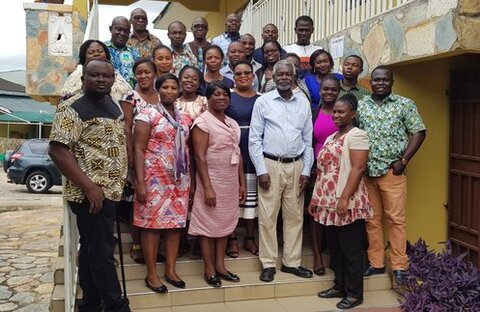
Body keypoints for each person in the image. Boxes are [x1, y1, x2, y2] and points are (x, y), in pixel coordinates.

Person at [48, 59, 130, 312]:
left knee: (93, 250)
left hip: (111, 191)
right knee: (103, 254)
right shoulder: (72, 108)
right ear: (84, 77)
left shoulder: (112, 105)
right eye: (95, 75)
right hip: (91, 195)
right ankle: (117, 306)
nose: (102, 80)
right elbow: (58, 150)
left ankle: (90, 304)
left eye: (107, 76)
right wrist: (89, 187)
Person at [359, 66, 426, 285]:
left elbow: (419, 132)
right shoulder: (362, 105)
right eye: (376, 80)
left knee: (396, 220)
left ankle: (399, 265)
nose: (380, 83)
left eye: (384, 80)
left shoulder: (404, 105)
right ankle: (376, 263)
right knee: (372, 220)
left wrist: (404, 160)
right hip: (367, 173)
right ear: (371, 82)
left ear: (392, 82)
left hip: (392, 171)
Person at [249, 60, 314, 283]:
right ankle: (268, 263)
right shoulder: (263, 102)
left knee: (295, 216)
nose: (284, 77)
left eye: (288, 74)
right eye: (280, 75)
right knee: (268, 217)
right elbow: (254, 139)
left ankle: (291, 262)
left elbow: (308, 139)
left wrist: (306, 169)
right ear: (273, 78)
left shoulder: (303, 103)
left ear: (294, 77)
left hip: (296, 165)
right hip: (270, 165)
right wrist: (260, 170)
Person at [310, 93, 372, 310]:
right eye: (334, 111)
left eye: (341, 111)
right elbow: (323, 171)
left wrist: (344, 197)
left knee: (351, 249)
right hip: (327, 200)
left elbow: (358, 168)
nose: (336, 115)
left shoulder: (357, 135)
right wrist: (316, 198)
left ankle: (355, 294)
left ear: (352, 114)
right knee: (335, 248)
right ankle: (340, 286)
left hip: (348, 200)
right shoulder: (331, 137)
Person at [133, 73, 192, 292]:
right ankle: (151, 274)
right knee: (152, 226)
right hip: (153, 179)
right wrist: (139, 181)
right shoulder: (147, 114)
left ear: (178, 91)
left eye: (173, 87)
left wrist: (191, 182)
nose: (169, 91)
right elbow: (138, 148)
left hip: (178, 180)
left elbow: (189, 150)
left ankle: (170, 269)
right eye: (165, 87)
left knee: (175, 225)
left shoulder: (184, 118)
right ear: (158, 90)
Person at [189, 81, 246, 287]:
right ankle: (209, 269)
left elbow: (237, 153)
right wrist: (208, 187)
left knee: (224, 224)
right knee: (207, 224)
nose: (221, 98)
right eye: (216, 94)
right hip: (210, 179)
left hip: (229, 180)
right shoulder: (202, 123)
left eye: (225, 94)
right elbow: (199, 157)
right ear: (208, 98)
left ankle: (221, 266)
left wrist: (241, 182)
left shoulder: (232, 123)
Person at [120, 58, 159, 264]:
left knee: (154, 202)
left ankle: (153, 247)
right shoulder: (130, 96)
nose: (143, 76)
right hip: (138, 155)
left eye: (147, 72)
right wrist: (130, 155)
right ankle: (137, 245)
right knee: (138, 201)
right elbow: (126, 127)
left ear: (155, 74)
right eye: (139, 73)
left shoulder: (162, 95)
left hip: (159, 160)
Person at [225, 61, 261, 257]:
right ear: (233, 76)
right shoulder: (228, 97)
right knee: (232, 196)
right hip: (233, 150)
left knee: (252, 196)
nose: (243, 76)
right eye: (239, 73)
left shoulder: (262, 98)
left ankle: (249, 237)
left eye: (247, 72)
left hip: (254, 151)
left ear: (253, 75)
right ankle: (231, 238)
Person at [308, 74, 342, 276]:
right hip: (317, 171)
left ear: (339, 92)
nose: (329, 92)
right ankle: (317, 257)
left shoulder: (343, 113)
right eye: (326, 89)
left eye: (333, 90)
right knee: (315, 214)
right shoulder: (313, 113)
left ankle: (336, 255)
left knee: (337, 212)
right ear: (320, 91)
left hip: (340, 171)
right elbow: (308, 142)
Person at [61, 39, 131, 103]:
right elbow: (66, 97)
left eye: (100, 51)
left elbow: (128, 93)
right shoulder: (77, 74)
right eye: (91, 52)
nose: (96, 54)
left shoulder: (115, 73)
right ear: (84, 57)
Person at [105, 16, 140, 88]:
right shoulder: (102, 49)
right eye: (119, 29)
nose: (122, 33)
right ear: (111, 29)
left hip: (131, 95)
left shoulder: (134, 53)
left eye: (126, 31)